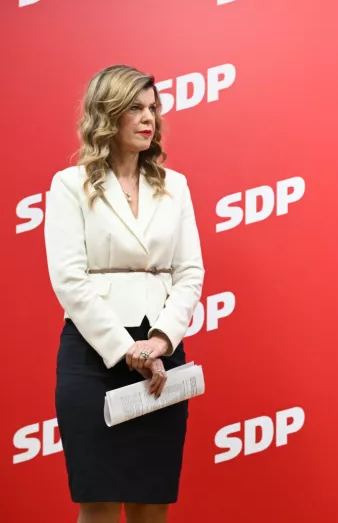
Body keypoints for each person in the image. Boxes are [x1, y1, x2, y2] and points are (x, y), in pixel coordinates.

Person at [44, 65, 204, 523]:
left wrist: (160, 342)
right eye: (135, 107)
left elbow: (190, 272)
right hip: (94, 356)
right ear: (107, 114)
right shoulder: (68, 185)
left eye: (153, 107)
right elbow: (69, 279)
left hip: (161, 354)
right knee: (98, 503)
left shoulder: (176, 186)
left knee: (152, 504)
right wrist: (125, 349)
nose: (148, 117)